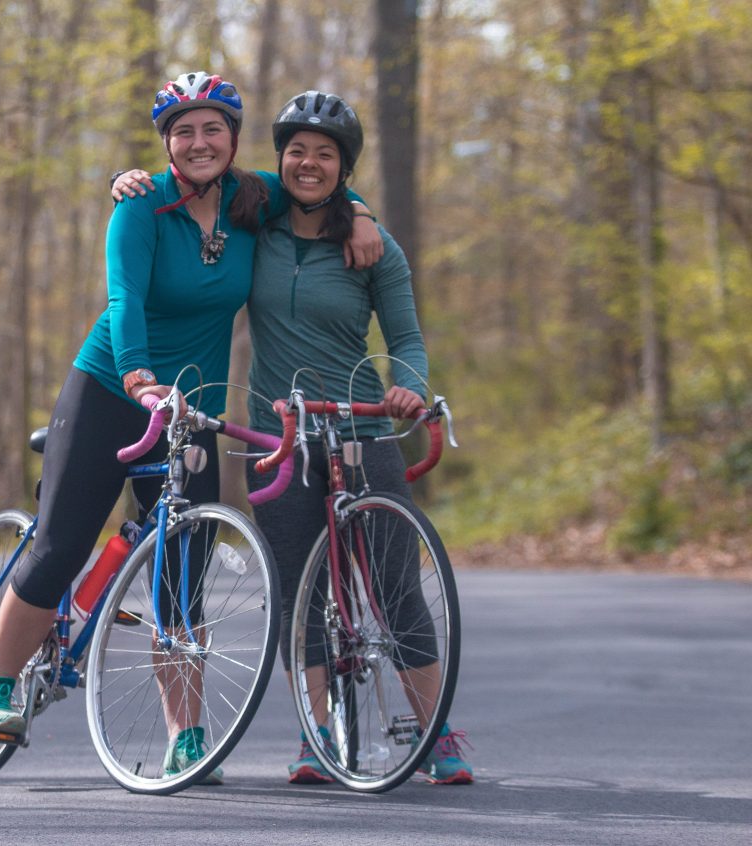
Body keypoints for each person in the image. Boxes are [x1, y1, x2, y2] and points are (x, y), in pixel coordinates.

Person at [0, 72, 382, 786]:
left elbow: (322, 183)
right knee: (63, 540)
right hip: (111, 387)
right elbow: (125, 299)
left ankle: (184, 737)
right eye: (183, 132)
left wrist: (366, 213)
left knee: (180, 573)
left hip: (194, 406)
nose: (198, 143)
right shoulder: (140, 207)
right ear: (166, 143)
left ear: (232, 137)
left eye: (212, 129)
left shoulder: (255, 198)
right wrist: (136, 376)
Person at [241, 91, 475, 786]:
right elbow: (191, 176)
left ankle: (436, 733)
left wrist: (406, 386)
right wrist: (122, 183)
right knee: (295, 590)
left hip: (359, 424)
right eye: (296, 150)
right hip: (278, 432)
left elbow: (405, 340)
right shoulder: (251, 218)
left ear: (345, 169)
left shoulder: (374, 246)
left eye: (326, 154)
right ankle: (315, 736)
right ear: (279, 157)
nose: (308, 163)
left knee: (396, 585)